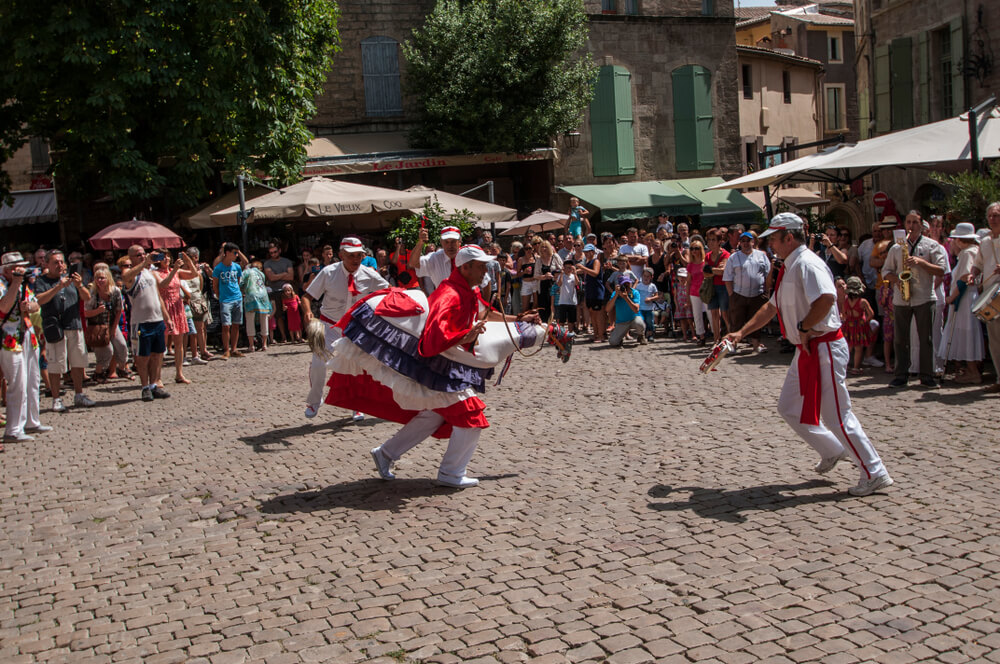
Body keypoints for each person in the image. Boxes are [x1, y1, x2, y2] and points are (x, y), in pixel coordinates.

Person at [726, 213, 893, 497]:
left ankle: (874, 471)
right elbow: (771, 307)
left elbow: (827, 298)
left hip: (823, 345)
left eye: (774, 239)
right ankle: (832, 449)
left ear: (789, 238)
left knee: (837, 415)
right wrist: (741, 333)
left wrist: (804, 325)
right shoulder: (790, 265)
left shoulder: (807, 263)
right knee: (789, 407)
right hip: (808, 348)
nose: (771, 246)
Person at [355, 245, 545, 488]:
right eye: (480, 266)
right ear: (465, 268)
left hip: (445, 365)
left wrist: (518, 318)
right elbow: (435, 336)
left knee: (433, 415)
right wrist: (465, 336)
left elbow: (485, 313)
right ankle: (451, 473)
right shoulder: (450, 295)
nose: (485, 271)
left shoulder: (464, 289)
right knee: (471, 417)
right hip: (440, 367)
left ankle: (386, 453)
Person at [302, 236, 388, 420]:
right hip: (329, 325)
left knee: (357, 366)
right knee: (318, 362)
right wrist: (308, 313)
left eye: (359, 255)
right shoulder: (328, 272)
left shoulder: (369, 274)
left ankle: (357, 405)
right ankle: (315, 400)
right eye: (351, 255)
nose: (355, 259)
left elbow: (388, 291)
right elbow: (307, 296)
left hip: (355, 328)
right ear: (341, 255)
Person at [882, 210, 948, 388]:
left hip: (924, 296)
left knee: (925, 338)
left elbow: (942, 270)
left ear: (921, 225)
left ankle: (927, 375)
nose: (911, 226)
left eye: (915, 223)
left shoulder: (932, 246)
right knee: (900, 339)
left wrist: (921, 263)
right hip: (901, 298)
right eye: (908, 223)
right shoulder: (897, 248)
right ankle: (901, 374)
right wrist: (896, 280)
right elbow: (885, 271)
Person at [0, 253, 52, 445]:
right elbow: (3, 307)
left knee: (32, 380)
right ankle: (13, 429)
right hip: (9, 338)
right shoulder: (3, 284)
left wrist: (29, 306)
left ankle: (31, 420)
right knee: (17, 383)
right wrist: (15, 283)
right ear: (7, 269)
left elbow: (35, 302)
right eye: (17, 267)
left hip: (28, 334)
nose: (21, 270)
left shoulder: (23, 284)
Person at [34, 249, 95, 411]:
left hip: (73, 325)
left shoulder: (72, 279)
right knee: (55, 365)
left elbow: (87, 297)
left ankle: (79, 395)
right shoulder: (42, 281)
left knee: (77, 362)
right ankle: (56, 399)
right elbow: (39, 300)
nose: (60, 265)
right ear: (46, 264)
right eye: (55, 262)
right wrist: (58, 287)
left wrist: (79, 285)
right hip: (55, 328)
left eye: (62, 262)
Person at [122, 245, 171, 402]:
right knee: (143, 356)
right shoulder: (132, 275)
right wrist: (143, 264)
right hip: (141, 322)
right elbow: (125, 278)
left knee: (158, 354)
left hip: (156, 320)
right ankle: (144, 387)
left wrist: (166, 316)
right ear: (131, 257)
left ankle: (154, 384)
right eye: (138, 255)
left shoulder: (150, 274)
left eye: (144, 254)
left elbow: (158, 296)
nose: (143, 256)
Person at [940, 223, 984, 384]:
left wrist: (952, 297)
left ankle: (973, 371)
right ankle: (971, 369)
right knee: (965, 332)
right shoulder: (971, 252)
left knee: (966, 333)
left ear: (960, 240)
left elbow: (965, 277)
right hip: (966, 297)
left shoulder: (967, 253)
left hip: (964, 299)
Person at [969, 202, 1000, 393]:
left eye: (996, 215)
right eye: (990, 215)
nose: (993, 218)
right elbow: (978, 263)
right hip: (991, 295)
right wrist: (973, 273)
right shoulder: (986, 242)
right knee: (995, 340)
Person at [155, 251, 200, 383]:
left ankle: (179, 373)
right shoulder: (155, 273)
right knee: (161, 344)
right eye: (163, 257)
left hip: (177, 307)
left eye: (168, 256)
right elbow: (163, 284)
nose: (167, 259)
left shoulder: (177, 272)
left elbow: (194, 274)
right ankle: (157, 377)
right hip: (164, 308)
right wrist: (174, 270)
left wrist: (188, 261)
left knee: (179, 343)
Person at [723, 231, 771, 353]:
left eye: (748, 241)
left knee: (755, 320)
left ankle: (756, 344)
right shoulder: (734, 257)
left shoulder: (761, 256)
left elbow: (768, 273)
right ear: (740, 243)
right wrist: (731, 295)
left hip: (757, 294)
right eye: (743, 241)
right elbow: (728, 277)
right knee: (736, 320)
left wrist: (767, 291)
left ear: (753, 242)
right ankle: (733, 345)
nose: (745, 243)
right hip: (739, 294)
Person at [83, 264, 126, 383]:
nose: (100, 280)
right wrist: (97, 311)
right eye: (98, 278)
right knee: (106, 350)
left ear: (108, 278)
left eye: (103, 278)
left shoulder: (115, 291)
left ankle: (122, 368)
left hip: (112, 323)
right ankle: (98, 373)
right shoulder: (92, 293)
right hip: (97, 325)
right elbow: (85, 313)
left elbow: (118, 310)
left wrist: (114, 328)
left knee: (121, 345)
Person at [212, 242, 248, 360]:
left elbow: (238, 280)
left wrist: (238, 250)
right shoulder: (218, 268)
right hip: (225, 299)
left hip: (236, 298)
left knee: (236, 324)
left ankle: (234, 349)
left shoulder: (236, 267)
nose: (236, 255)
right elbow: (215, 285)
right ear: (227, 253)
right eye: (234, 253)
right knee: (226, 325)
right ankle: (226, 349)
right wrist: (220, 296)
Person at [408, 226, 464, 293]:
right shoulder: (434, 258)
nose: (450, 246)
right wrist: (421, 242)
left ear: (459, 242)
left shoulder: (468, 257)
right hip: (445, 301)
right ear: (441, 242)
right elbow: (413, 263)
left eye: (453, 241)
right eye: (446, 242)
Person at [841, 277, 877, 375]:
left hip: (848, 326)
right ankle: (856, 368)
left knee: (848, 346)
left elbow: (844, 314)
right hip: (859, 327)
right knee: (858, 348)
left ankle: (845, 365)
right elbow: (871, 314)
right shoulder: (862, 301)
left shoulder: (845, 301)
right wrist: (865, 321)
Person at [263, 241, 294, 343]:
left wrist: (277, 276)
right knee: (278, 315)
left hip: (287, 291)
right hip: (275, 291)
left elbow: (291, 276)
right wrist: (284, 274)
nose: (273, 254)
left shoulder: (287, 261)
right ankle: (283, 336)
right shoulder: (267, 263)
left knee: (292, 314)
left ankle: (294, 335)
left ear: (279, 250)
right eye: (271, 253)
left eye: (275, 252)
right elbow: (271, 278)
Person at [704, 229, 731, 344]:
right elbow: (705, 272)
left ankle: (731, 339)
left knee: (725, 314)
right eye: (709, 240)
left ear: (720, 241)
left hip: (723, 286)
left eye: (713, 240)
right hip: (712, 286)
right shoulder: (708, 256)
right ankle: (716, 340)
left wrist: (711, 270)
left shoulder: (725, 254)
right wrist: (716, 270)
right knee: (714, 314)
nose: (711, 242)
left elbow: (723, 271)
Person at [606, 272, 645, 347]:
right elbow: (608, 309)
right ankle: (620, 337)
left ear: (631, 284)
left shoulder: (635, 293)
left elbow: (636, 310)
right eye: (624, 284)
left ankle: (641, 335)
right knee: (613, 342)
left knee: (639, 323)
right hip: (621, 322)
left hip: (634, 319)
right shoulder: (615, 293)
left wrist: (626, 298)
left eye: (628, 284)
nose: (626, 286)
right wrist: (616, 295)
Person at [241, 260, 272, 352]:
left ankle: (251, 345)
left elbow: (241, 282)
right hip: (263, 297)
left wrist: (242, 291)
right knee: (264, 320)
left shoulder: (246, 272)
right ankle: (264, 344)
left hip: (251, 296)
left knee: (250, 320)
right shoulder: (262, 274)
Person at [577, 243, 606, 342]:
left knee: (598, 314)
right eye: (585, 252)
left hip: (597, 291)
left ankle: (601, 335)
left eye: (588, 252)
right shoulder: (588, 262)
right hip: (590, 291)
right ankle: (596, 334)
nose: (586, 254)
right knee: (592, 314)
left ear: (593, 252)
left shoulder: (596, 261)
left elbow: (595, 273)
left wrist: (582, 268)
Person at [687, 240, 708, 345]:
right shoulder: (690, 265)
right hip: (694, 292)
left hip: (706, 291)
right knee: (697, 315)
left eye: (696, 248)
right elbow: (688, 281)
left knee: (710, 313)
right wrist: (687, 297)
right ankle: (701, 336)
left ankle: (716, 334)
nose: (694, 251)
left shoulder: (705, 262)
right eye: (692, 248)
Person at [635, 267, 658, 341]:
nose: (646, 278)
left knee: (649, 322)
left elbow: (657, 295)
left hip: (649, 308)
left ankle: (650, 334)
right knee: (641, 322)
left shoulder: (652, 286)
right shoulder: (639, 286)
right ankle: (641, 335)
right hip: (640, 308)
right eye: (644, 276)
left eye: (648, 276)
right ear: (642, 276)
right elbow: (636, 295)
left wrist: (651, 299)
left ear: (651, 277)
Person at [555, 259, 578, 333]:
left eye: (570, 268)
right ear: (564, 268)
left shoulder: (573, 276)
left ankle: (570, 335)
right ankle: (561, 334)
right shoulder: (561, 276)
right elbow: (559, 284)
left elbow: (577, 283)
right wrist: (561, 274)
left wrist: (575, 273)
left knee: (571, 320)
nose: (569, 269)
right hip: (563, 301)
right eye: (567, 268)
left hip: (572, 301)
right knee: (562, 320)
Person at [672, 267, 693, 341]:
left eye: (683, 277)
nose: (682, 278)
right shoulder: (676, 285)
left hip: (687, 303)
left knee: (689, 319)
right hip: (680, 304)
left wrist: (688, 302)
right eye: (680, 277)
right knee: (682, 320)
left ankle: (693, 334)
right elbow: (675, 296)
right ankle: (685, 335)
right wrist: (677, 305)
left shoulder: (688, 285)